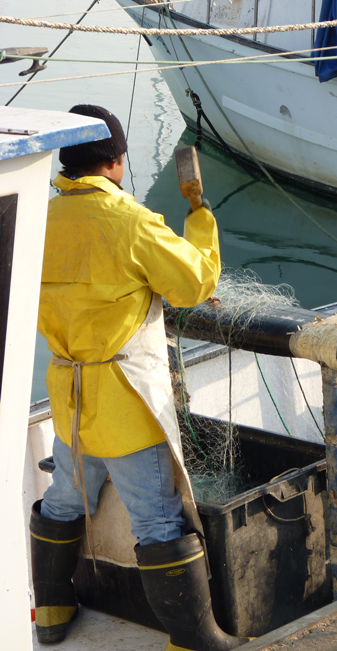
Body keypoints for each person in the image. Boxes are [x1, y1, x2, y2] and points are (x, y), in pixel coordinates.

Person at [31, 105, 244, 651]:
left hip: (69, 397)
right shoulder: (129, 221)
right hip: (125, 403)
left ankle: (51, 611)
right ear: (116, 161)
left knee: (64, 499)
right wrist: (199, 216)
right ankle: (191, 638)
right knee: (158, 520)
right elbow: (194, 284)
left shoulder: (39, 220)